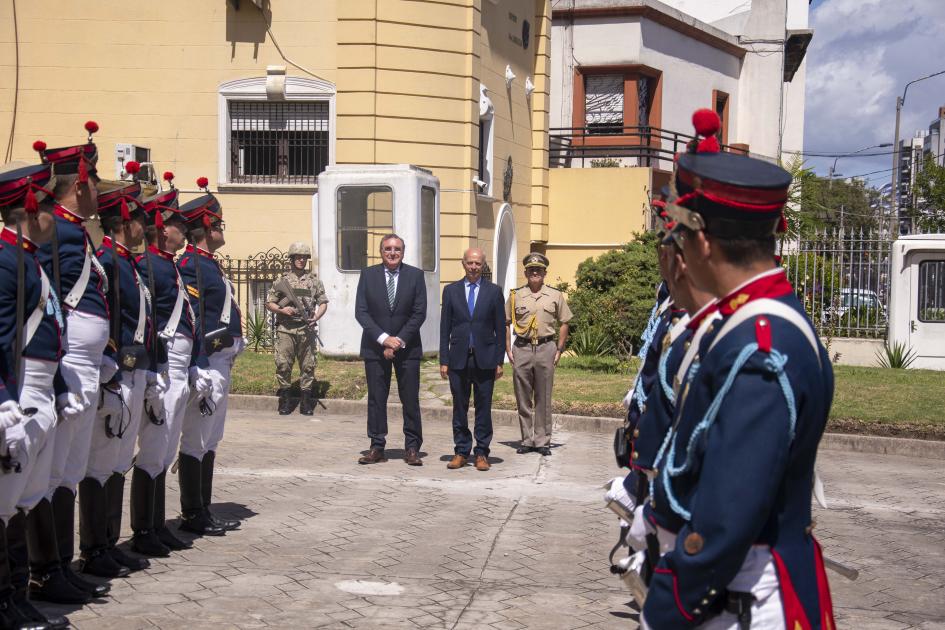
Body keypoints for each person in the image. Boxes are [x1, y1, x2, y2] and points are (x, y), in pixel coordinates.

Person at [641, 109, 836, 629]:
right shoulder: (746, 322)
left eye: (678, 235)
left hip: (739, 600)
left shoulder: (760, 348)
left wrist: (665, 607)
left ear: (700, 241)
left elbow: (727, 519)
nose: (675, 249)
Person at [32, 123, 113, 602]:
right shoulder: (59, 230)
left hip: (86, 363)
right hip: (65, 363)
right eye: (95, 182)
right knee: (52, 470)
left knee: (69, 468)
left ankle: (61, 562)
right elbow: (50, 298)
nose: (99, 191)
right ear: (80, 183)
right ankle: (47, 569)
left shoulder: (76, 232)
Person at [0, 160, 77, 629]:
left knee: (25, 497)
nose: (56, 215)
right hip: (19, 390)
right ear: (30, 209)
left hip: (42, 390)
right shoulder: (7, 260)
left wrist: (63, 387)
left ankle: (18, 591)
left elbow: (54, 331)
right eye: (50, 206)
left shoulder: (27, 257)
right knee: (5, 501)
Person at [132, 171, 208, 556]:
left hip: (178, 368)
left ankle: (156, 524)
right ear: (162, 229)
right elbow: (148, 320)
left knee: (162, 451)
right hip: (163, 367)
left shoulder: (167, 264)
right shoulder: (149, 264)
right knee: (152, 449)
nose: (183, 230)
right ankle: (144, 529)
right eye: (177, 224)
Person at [82, 177, 154, 578]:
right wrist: (109, 363)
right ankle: (94, 546)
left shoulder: (125, 259)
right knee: (101, 459)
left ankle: (107, 541)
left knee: (117, 459)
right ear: (123, 221)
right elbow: (107, 315)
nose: (146, 225)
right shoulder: (109, 258)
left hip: (132, 368)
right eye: (140, 218)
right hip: (116, 370)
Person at [177, 176, 243, 537]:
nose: (221, 230)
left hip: (222, 361)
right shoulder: (192, 264)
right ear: (206, 227)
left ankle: (202, 507)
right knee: (197, 438)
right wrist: (198, 364)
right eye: (217, 224)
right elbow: (195, 319)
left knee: (210, 438)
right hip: (209, 362)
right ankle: (193, 512)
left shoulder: (208, 263)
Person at [354, 234, 427, 466]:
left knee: (410, 399)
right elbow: (361, 312)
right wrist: (385, 339)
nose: (392, 253)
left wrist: (399, 340)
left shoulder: (415, 276)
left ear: (403, 252)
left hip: (408, 348)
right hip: (375, 348)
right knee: (376, 399)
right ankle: (377, 446)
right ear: (381, 251)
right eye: (388, 249)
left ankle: (412, 447)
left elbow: (419, 312)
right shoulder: (368, 275)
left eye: (397, 249)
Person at [438, 248, 506, 472]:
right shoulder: (450, 291)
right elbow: (444, 327)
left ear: (483, 265)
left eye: (478, 263)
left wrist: (499, 361)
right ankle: (461, 451)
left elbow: (500, 329)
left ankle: (482, 453)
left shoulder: (494, 292)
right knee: (459, 407)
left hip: (485, 359)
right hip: (458, 359)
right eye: (470, 263)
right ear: (463, 264)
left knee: (483, 408)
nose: (474, 267)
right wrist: (444, 360)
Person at [505, 253, 572, 457]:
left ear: (545, 273)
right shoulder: (516, 295)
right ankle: (526, 439)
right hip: (522, 349)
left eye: (539, 270)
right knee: (522, 397)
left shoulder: (555, 295)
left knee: (544, 397)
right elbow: (505, 322)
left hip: (545, 348)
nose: (535, 273)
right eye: (531, 270)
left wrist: (559, 349)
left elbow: (565, 322)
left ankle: (542, 441)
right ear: (525, 272)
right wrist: (508, 348)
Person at [265, 241, 328, 416]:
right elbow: (269, 303)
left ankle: (306, 401)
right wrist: (281, 309)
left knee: (308, 366)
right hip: (286, 328)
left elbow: (323, 302)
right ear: (291, 259)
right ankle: (285, 398)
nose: (301, 260)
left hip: (306, 329)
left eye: (304, 257)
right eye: (298, 257)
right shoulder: (282, 281)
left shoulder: (314, 282)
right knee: (283, 364)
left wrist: (316, 316)